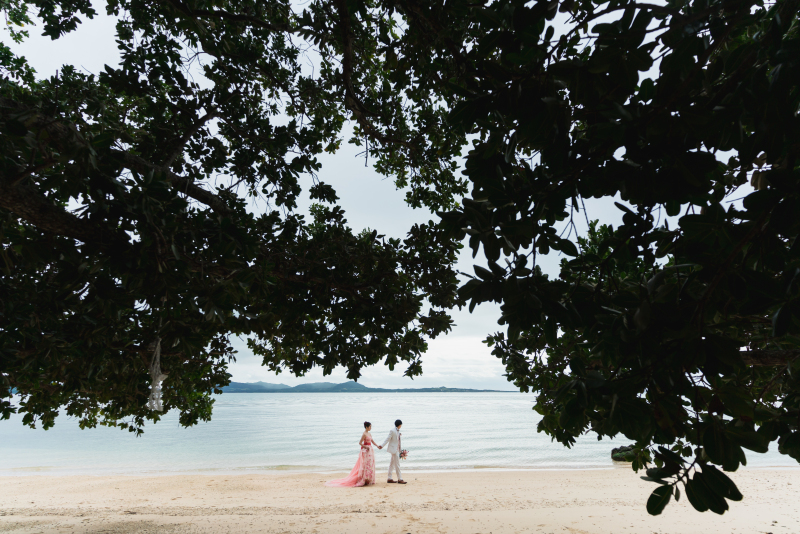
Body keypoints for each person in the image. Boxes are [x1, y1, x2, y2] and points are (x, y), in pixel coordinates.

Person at [325, 422, 379, 487]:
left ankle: (369, 479)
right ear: (366, 427)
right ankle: (363, 479)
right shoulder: (364, 434)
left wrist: (377, 446)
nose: (371, 428)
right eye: (370, 426)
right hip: (366, 450)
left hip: (370, 450)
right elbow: (360, 443)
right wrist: (365, 447)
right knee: (365, 464)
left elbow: (372, 441)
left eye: (371, 426)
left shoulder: (369, 434)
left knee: (370, 464)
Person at [380, 419, 406, 484]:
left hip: (397, 450)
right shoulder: (392, 431)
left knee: (392, 464)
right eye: (401, 425)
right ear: (399, 425)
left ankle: (389, 478)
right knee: (397, 464)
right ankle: (400, 479)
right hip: (394, 450)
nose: (401, 426)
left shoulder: (397, 432)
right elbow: (387, 439)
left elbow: (397, 440)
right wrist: (382, 445)